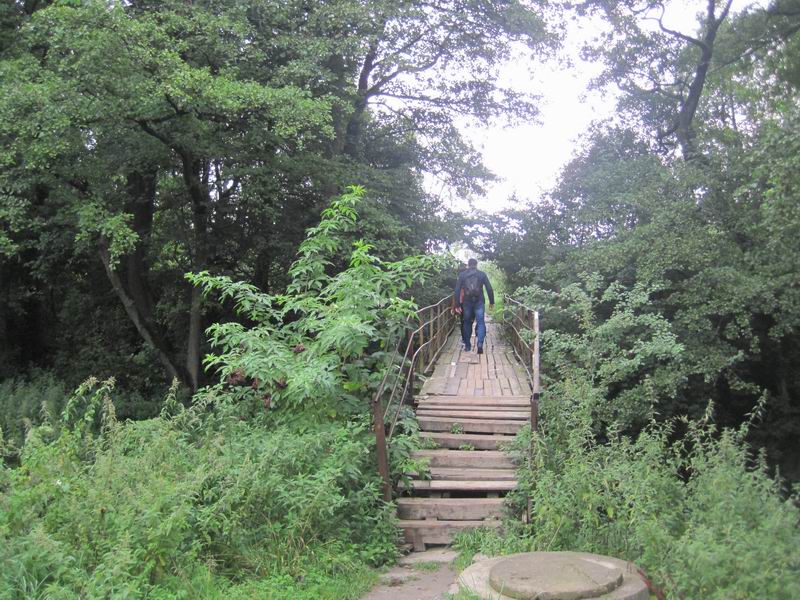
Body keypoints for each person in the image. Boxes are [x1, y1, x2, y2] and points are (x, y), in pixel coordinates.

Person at [454, 258, 494, 354]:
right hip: (479, 301)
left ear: (468, 265)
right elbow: (489, 288)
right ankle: (480, 344)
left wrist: (457, 305)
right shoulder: (482, 274)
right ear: (476, 265)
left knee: (467, 322)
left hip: (467, 302)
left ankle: (467, 346)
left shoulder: (462, 275)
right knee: (480, 322)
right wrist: (491, 302)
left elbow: (457, 290)